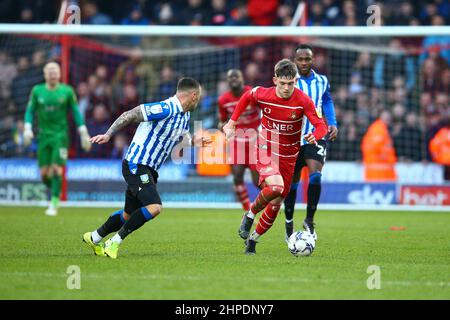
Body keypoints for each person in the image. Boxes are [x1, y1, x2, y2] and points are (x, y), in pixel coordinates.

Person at [83, 78, 211, 259]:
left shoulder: (184, 115)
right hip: (137, 164)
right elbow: (131, 114)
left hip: (149, 169)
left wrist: (194, 142)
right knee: (155, 207)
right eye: (198, 98)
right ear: (193, 95)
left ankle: (94, 237)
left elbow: (182, 137)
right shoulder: (166, 108)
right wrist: (108, 134)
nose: (198, 102)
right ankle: (114, 242)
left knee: (128, 215)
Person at [223, 59, 328, 255]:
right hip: (265, 148)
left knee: (276, 203)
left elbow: (321, 125)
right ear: (275, 80)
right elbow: (246, 96)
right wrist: (232, 122)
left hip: (289, 156)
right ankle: (250, 213)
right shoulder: (264, 94)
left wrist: (316, 135)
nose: (286, 88)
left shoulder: (303, 100)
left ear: (296, 81)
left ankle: (253, 240)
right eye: (282, 83)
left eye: (290, 83)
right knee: (277, 187)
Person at [283, 44, 338, 241]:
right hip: (291, 138)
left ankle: (309, 220)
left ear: (312, 60)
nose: (304, 62)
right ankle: (288, 221)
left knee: (315, 176)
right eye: (301, 59)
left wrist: (332, 122)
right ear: (295, 61)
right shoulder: (288, 82)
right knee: (291, 182)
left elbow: (327, 101)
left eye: (308, 59)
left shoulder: (322, 81)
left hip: (315, 135)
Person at [23, 62, 91, 216]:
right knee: (44, 174)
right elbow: (30, 110)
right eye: (50, 71)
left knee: (56, 169)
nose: (53, 73)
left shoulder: (66, 91)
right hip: (44, 136)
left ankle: (54, 201)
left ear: (60, 74)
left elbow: (75, 112)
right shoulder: (37, 91)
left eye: (55, 71)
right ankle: (56, 189)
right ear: (45, 74)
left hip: (60, 136)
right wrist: (27, 128)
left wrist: (83, 132)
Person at [218, 69, 260, 211]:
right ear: (227, 81)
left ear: (243, 79)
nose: (234, 79)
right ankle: (247, 210)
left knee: (258, 182)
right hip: (237, 143)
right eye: (231, 77)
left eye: (237, 76)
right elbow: (222, 121)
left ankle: (270, 203)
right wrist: (223, 127)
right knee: (237, 177)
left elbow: (265, 110)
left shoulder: (252, 93)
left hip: (255, 141)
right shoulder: (223, 100)